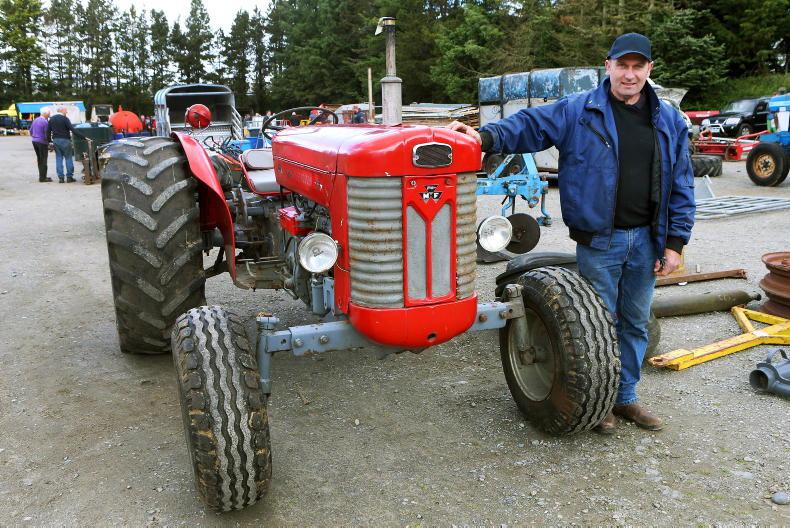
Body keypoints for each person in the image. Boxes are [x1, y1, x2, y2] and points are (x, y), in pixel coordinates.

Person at [448, 32, 695, 434]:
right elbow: (530, 125)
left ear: (649, 70)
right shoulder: (580, 110)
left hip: (648, 239)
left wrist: (675, 243)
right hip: (601, 241)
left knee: (635, 322)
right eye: (622, 65)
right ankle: (600, 402)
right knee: (598, 324)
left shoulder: (667, 120)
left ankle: (625, 397)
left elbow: (682, 182)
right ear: (608, 66)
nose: (629, 74)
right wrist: (484, 137)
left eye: (638, 67)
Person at [47, 107, 78, 183]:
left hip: (56, 140)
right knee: (68, 158)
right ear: (61, 111)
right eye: (66, 111)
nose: (66, 112)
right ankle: (69, 177)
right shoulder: (65, 119)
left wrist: (50, 141)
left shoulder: (51, 119)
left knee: (58, 158)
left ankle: (61, 178)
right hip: (65, 140)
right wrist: (83, 137)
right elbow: (72, 129)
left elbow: (48, 131)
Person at [30, 110, 52, 182]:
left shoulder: (35, 120)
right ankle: (43, 178)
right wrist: (49, 143)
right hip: (42, 142)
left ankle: (41, 176)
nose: (49, 115)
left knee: (39, 159)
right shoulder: (45, 122)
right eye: (48, 114)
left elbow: (31, 131)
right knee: (43, 160)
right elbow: (46, 134)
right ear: (45, 114)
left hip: (34, 141)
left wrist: (35, 136)